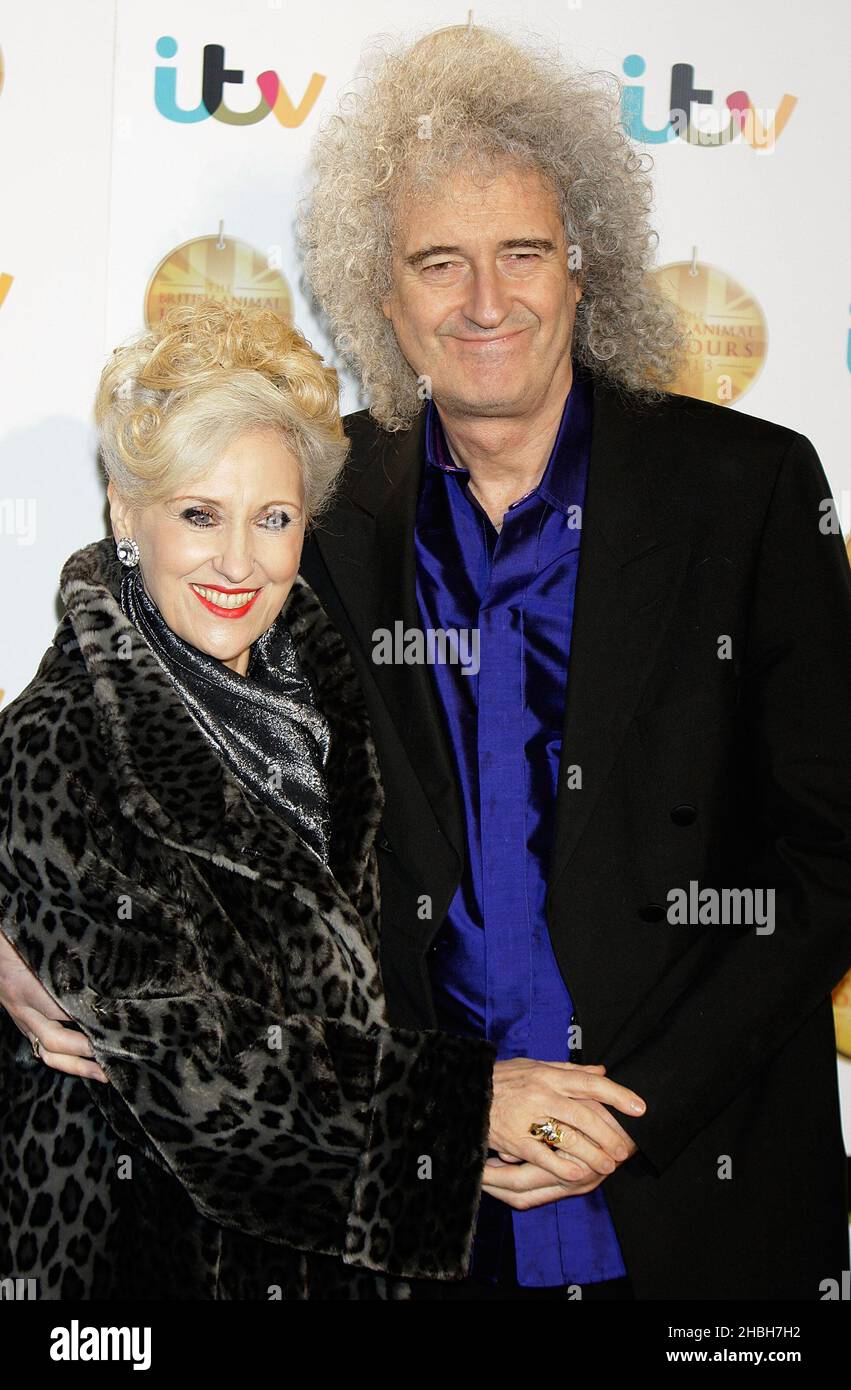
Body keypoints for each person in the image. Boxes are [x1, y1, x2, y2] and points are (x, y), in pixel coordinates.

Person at [290, 25, 851, 1299]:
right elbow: (161, 692)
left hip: (696, 1205)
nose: (485, 302)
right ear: (381, 294)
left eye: (521, 253)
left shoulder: (746, 490)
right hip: (416, 1208)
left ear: (580, 263)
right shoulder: (314, 510)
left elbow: (830, 847)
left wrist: (623, 1110)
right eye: (439, 262)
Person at [0, 299, 646, 1300]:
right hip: (132, 1258)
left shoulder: (328, 695)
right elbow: (187, 1067)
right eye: (197, 513)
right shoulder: (62, 742)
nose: (239, 561)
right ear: (127, 514)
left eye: (273, 517)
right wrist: (460, 1107)